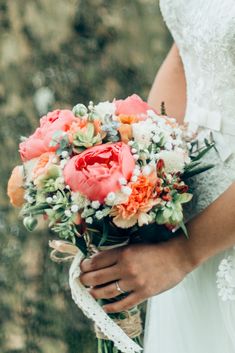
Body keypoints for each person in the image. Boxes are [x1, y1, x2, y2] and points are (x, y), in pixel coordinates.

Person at [80, 1, 235, 351]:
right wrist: (142, 184)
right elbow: (186, 53)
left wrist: (184, 253)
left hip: (208, 236)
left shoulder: (182, 252)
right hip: (185, 211)